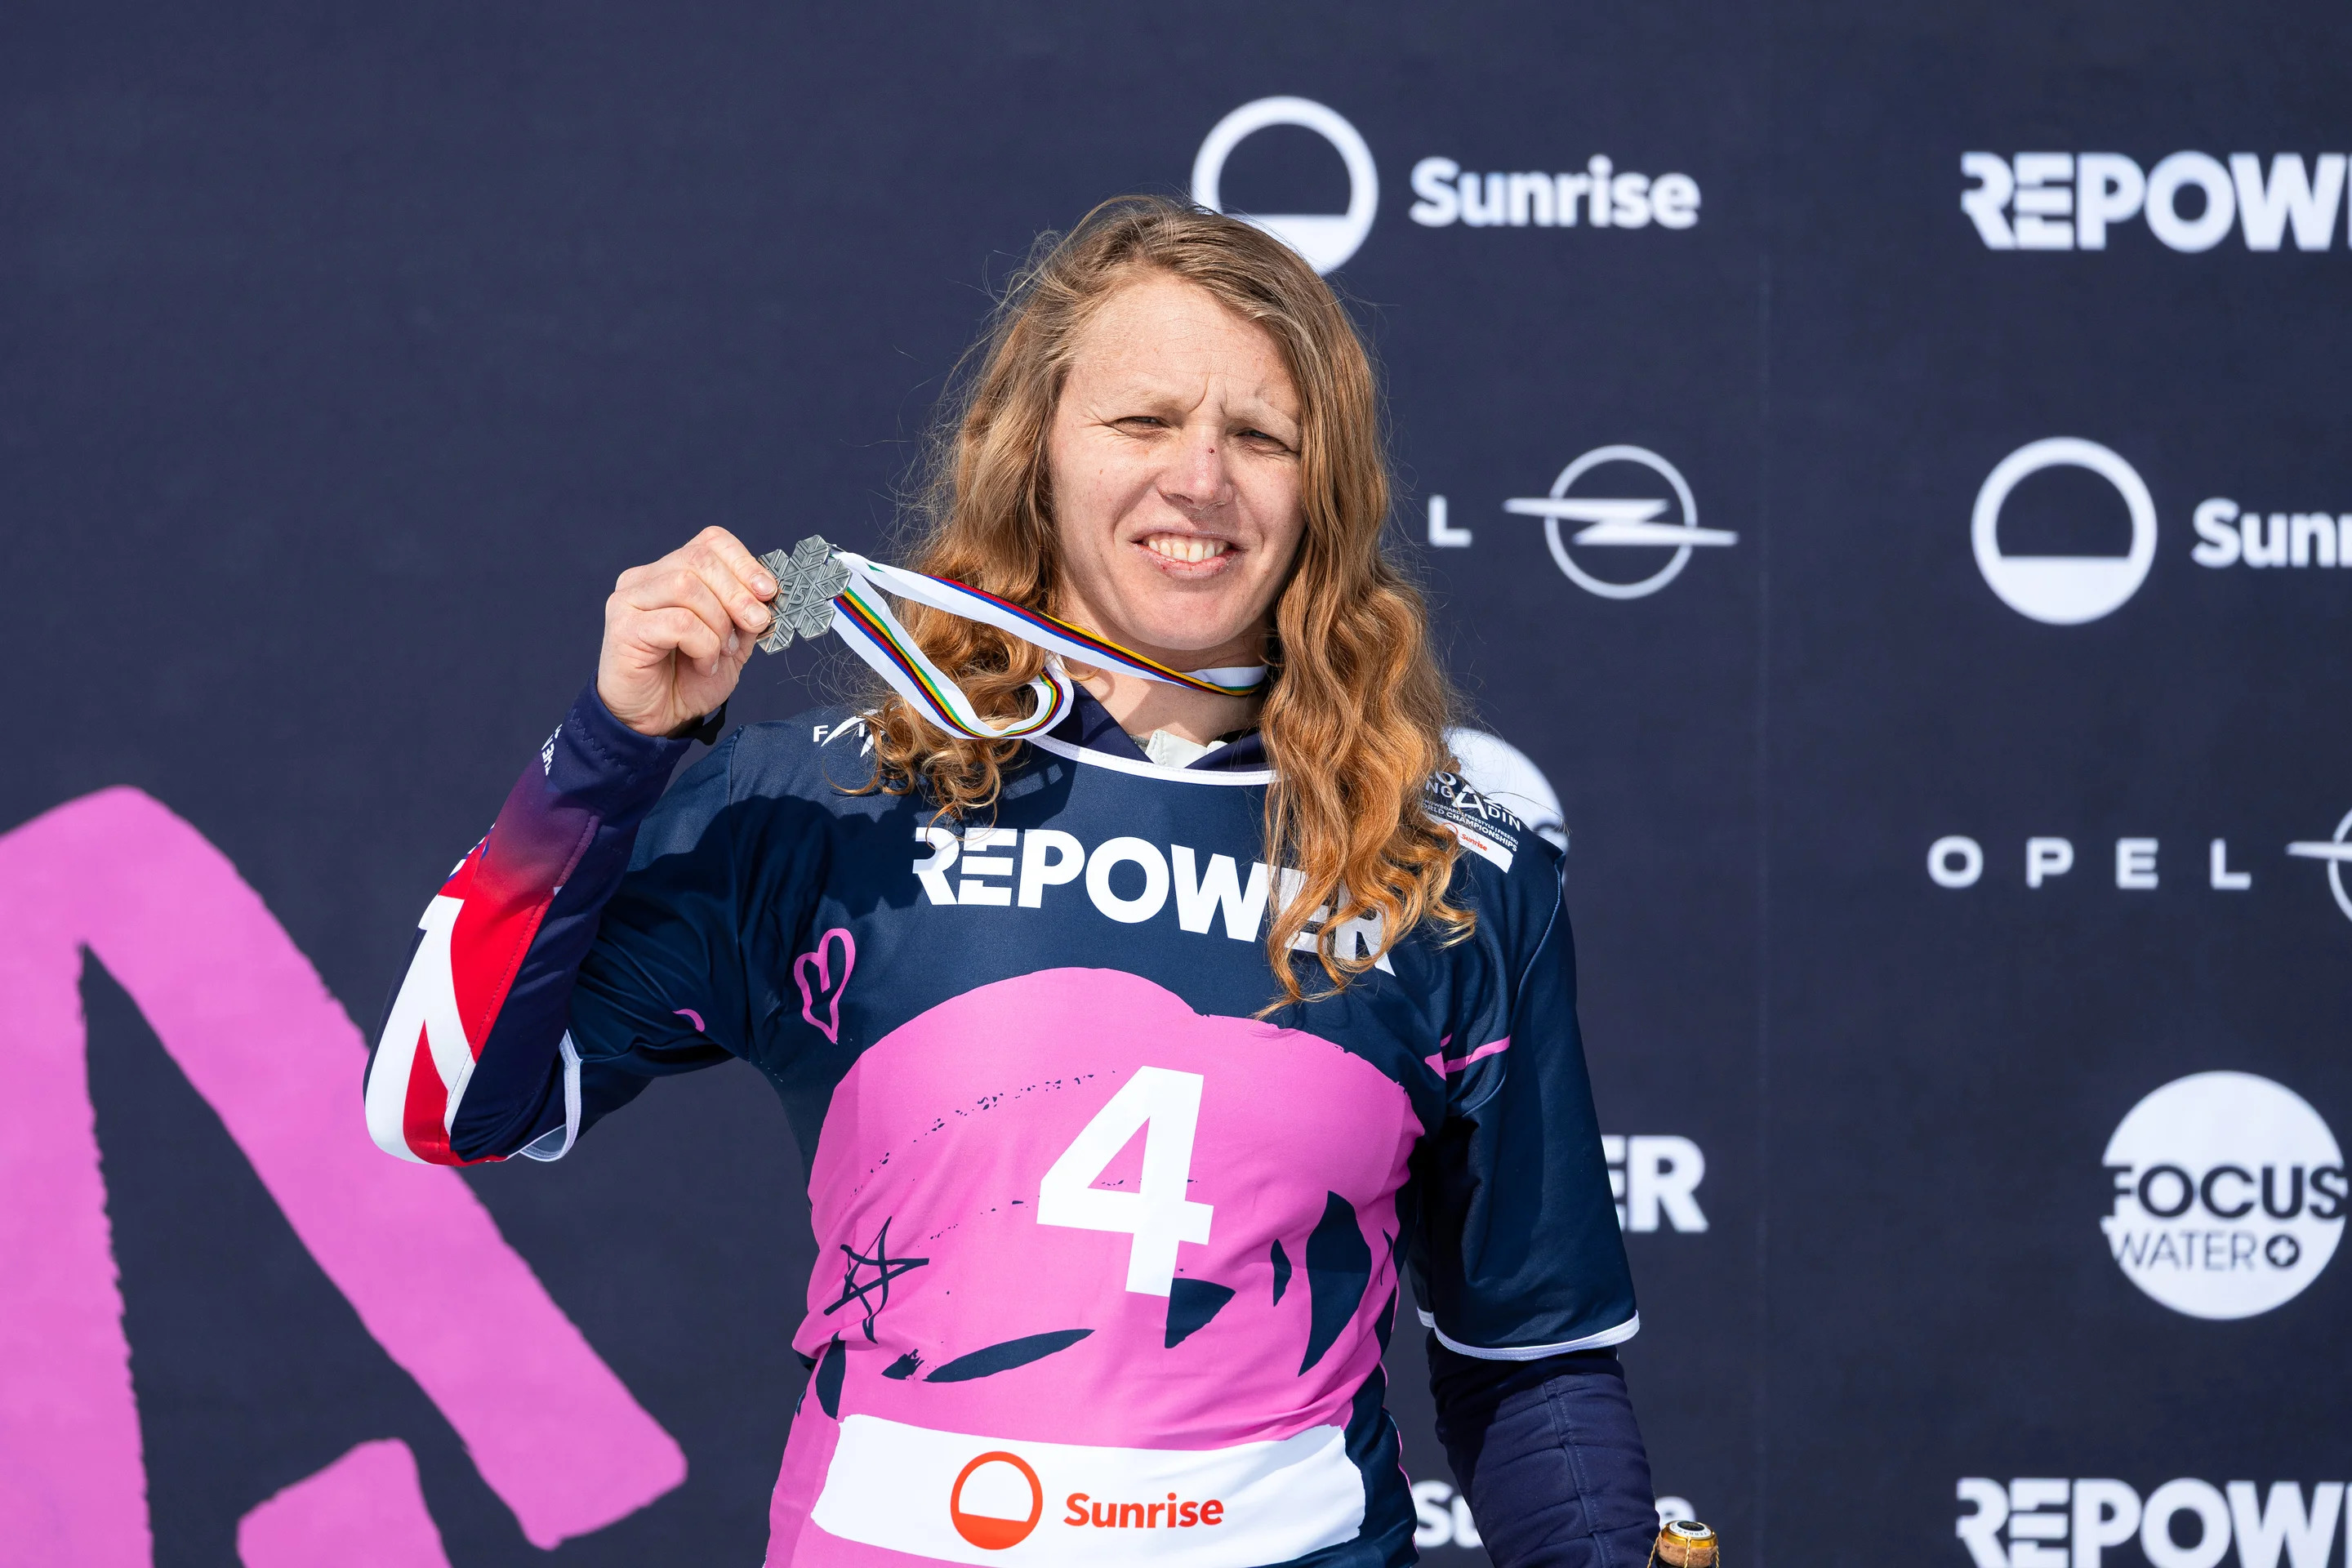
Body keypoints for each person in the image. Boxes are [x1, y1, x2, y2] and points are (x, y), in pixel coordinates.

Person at [367, 196, 1655, 1568]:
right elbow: (445, 1103)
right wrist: (610, 752)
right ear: (1033, 454)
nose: (1201, 480)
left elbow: (1535, 1373)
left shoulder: (1445, 871)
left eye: (1261, 435)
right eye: (1143, 421)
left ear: (1322, 494)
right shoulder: (825, 807)